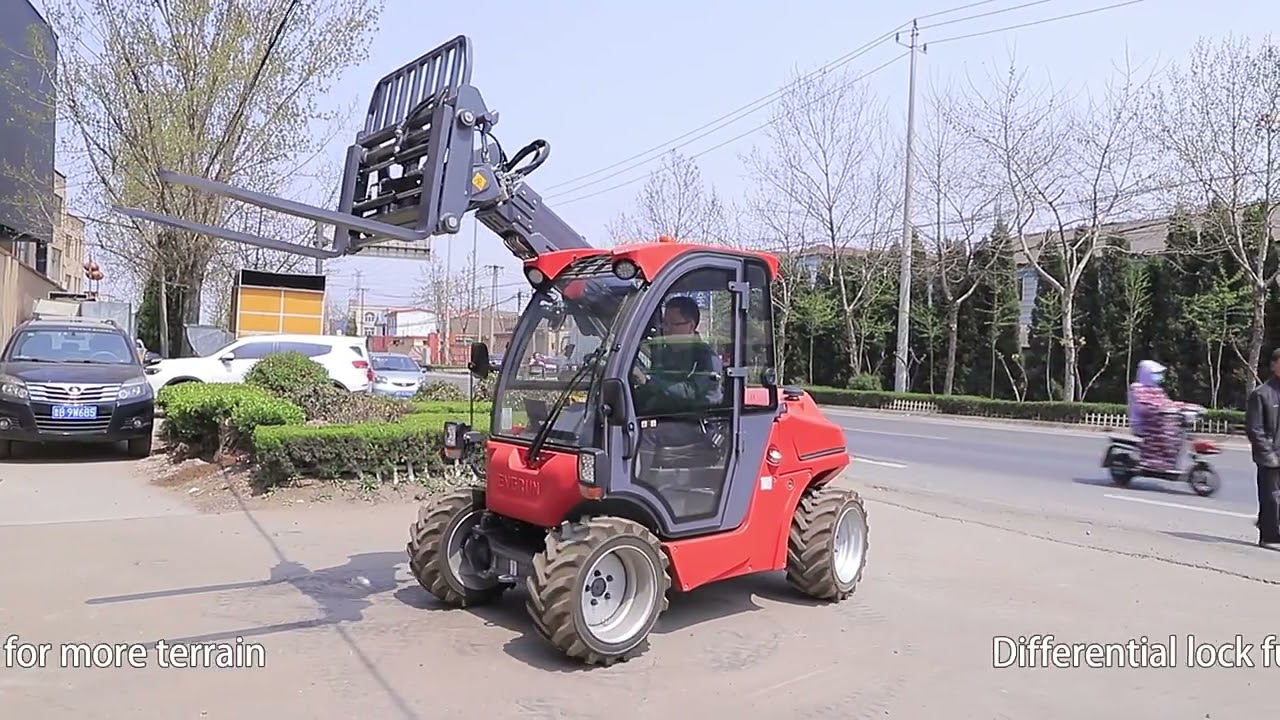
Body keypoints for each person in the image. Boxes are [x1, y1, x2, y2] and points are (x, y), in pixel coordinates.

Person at [630, 295, 724, 416]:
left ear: (690, 326)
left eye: (671, 324)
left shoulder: (707, 358)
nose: (665, 329)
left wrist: (647, 380)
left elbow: (691, 392)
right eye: (664, 323)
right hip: (664, 418)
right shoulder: (663, 353)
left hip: (695, 422)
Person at [1246, 348, 1280, 546]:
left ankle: (1268, 528)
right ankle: (1270, 536)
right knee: (1272, 498)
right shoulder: (1261, 394)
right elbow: (1254, 429)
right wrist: (1269, 454)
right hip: (1270, 456)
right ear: (1275, 365)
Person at [1128, 360, 1184, 473]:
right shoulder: (1137, 389)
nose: (1158, 377)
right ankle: (1153, 462)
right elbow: (1143, 405)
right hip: (1143, 423)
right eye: (1155, 374)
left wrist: (1185, 407)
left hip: (1157, 421)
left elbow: (1167, 402)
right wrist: (1159, 409)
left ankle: (1168, 462)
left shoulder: (1157, 389)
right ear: (1146, 374)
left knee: (1177, 434)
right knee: (1163, 435)